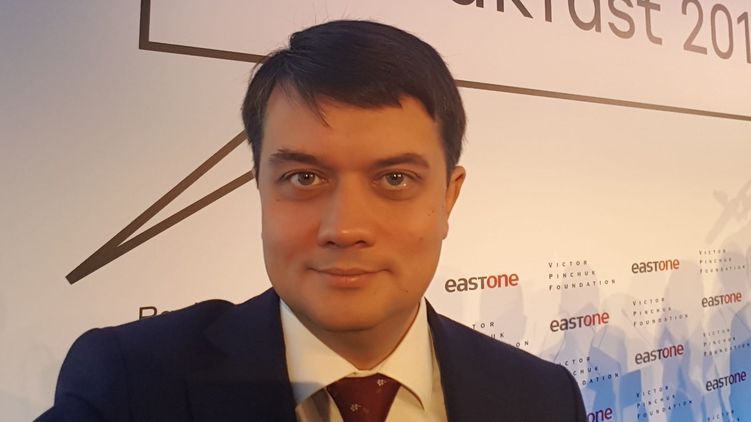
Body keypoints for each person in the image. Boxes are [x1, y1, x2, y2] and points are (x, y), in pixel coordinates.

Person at [38, 20, 586, 421]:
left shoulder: (542, 397)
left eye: (395, 179)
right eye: (304, 177)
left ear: (449, 197)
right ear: (260, 187)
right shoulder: (129, 385)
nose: (344, 229)